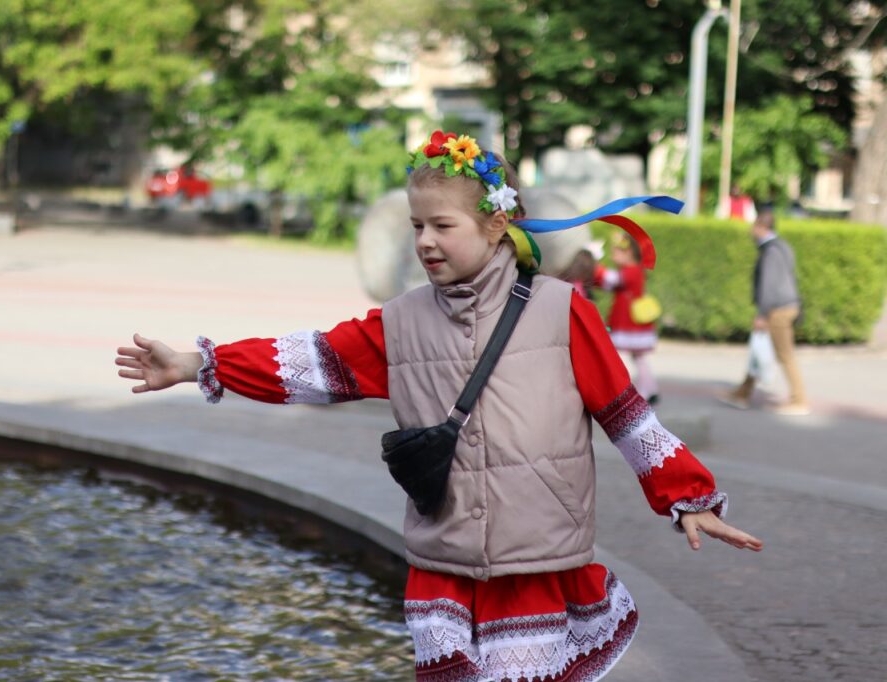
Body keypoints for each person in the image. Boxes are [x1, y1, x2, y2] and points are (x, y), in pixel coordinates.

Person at [116, 130, 763, 682]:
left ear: (497, 223)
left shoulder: (565, 312)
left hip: (534, 561)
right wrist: (198, 364)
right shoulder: (398, 323)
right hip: (445, 567)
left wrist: (690, 496)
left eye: (442, 226)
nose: (425, 241)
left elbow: (626, 417)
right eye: (416, 225)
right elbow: (310, 361)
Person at [722, 207, 809, 415]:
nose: (751, 231)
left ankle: (799, 400)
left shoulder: (770, 251)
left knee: (784, 355)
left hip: (777, 309)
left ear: (761, 226)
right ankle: (742, 393)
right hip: (787, 305)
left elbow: (768, 284)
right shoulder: (783, 246)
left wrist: (762, 313)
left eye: (754, 226)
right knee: (759, 350)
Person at [594, 233, 661, 404]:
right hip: (632, 323)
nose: (614, 255)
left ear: (629, 252)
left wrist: (595, 265)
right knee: (639, 357)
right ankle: (649, 388)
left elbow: (611, 279)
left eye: (617, 251)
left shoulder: (632, 271)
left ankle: (632, 391)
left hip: (629, 323)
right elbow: (609, 282)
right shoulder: (632, 270)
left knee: (623, 356)